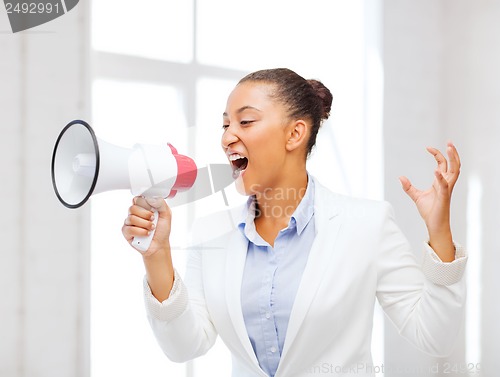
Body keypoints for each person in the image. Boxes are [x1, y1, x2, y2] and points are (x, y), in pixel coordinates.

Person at [122, 68, 467, 377]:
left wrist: (440, 232)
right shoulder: (211, 232)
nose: (227, 137)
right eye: (225, 124)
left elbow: (435, 335)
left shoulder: (366, 225)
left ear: (294, 134)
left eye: (245, 122)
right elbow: (185, 347)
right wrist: (157, 255)